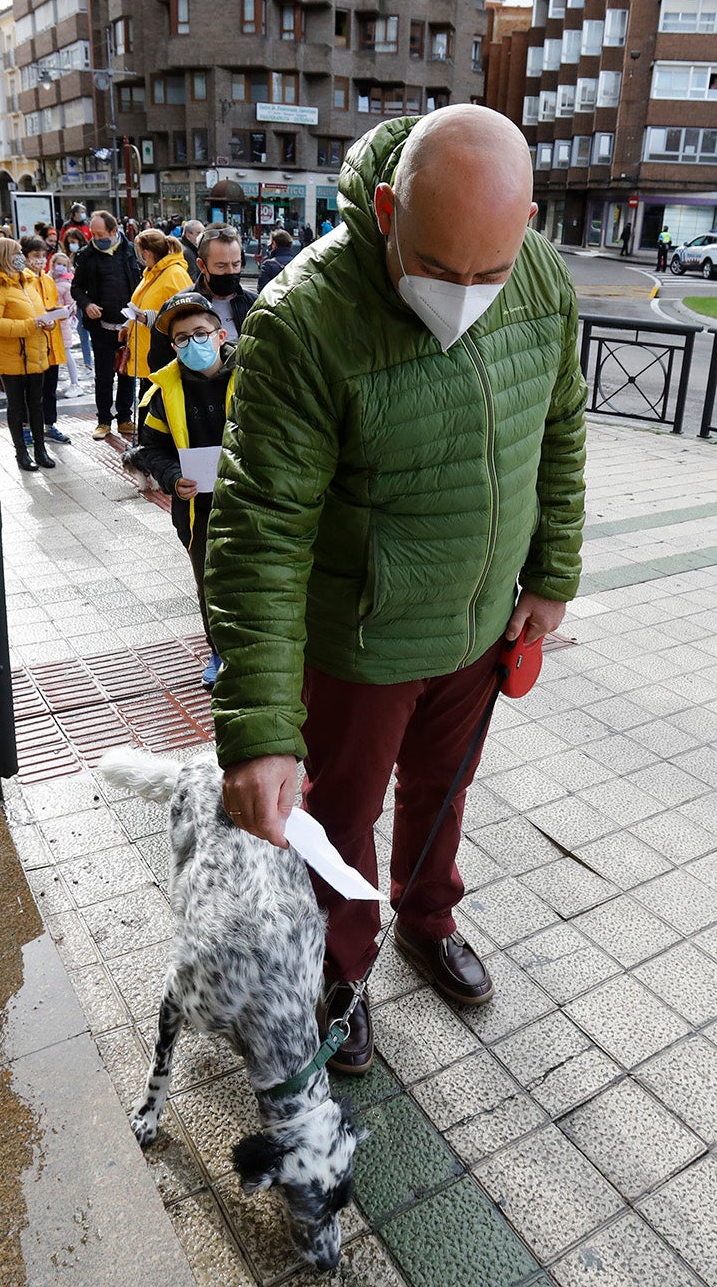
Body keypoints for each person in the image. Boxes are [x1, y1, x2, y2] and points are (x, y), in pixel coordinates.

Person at [207, 106, 587, 1076]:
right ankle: (341, 964)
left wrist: (550, 576)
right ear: (386, 211)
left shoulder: (541, 279)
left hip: (479, 615)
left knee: (444, 794)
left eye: (489, 274)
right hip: (362, 640)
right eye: (440, 270)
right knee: (341, 815)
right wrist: (258, 728)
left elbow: (561, 427)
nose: (465, 299)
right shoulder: (305, 320)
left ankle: (428, 914)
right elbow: (260, 527)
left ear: (528, 225)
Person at [133, 291, 238, 690]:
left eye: (200, 333)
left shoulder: (255, 375)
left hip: (256, 502)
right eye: (181, 338)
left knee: (262, 579)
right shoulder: (163, 393)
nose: (192, 343)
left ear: (220, 334)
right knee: (209, 582)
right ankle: (218, 652)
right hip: (198, 510)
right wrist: (173, 478)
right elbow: (150, 448)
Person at [0, 237, 59, 472]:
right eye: (17, 253)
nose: (22, 257)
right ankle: (21, 452)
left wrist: (48, 322)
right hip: (12, 355)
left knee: (36, 404)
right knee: (17, 406)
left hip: (36, 352)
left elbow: (38, 312)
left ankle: (40, 450)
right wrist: (30, 325)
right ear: (4, 256)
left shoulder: (28, 280)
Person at [71, 211, 143, 440]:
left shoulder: (131, 251)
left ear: (114, 231)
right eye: (93, 233)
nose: (96, 237)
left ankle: (124, 418)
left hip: (128, 326)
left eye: (100, 234)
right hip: (101, 327)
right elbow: (76, 287)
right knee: (103, 375)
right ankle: (103, 420)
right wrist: (87, 304)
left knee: (127, 373)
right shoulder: (87, 255)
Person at [119, 230, 196, 438]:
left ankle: (152, 449)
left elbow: (185, 313)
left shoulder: (174, 273)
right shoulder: (152, 273)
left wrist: (151, 318)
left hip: (162, 354)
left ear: (146, 253)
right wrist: (129, 324)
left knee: (157, 408)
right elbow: (142, 303)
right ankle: (147, 448)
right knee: (147, 404)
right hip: (146, 350)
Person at [21, 236, 73, 444]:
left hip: (52, 341)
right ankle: (26, 427)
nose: (40, 260)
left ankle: (48, 425)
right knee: (31, 390)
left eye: (43, 256)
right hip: (32, 343)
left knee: (49, 389)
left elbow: (51, 305)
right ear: (24, 257)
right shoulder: (22, 280)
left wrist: (60, 313)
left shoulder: (48, 279)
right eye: (35, 256)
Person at [193, 224, 257, 340]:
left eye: (236, 264)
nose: (230, 272)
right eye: (221, 266)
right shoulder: (181, 307)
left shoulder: (255, 305)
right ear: (202, 266)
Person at [50, 251, 83, 397]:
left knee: (67, 353)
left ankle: (75, 383)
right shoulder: (47, 280)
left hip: (61, 324)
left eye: (64, 265)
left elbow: (72, 305)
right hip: (49, 322)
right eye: (58, 264)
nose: (61, 267)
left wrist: (67, 310)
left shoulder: (66, 284)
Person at [61, 227, 92, 368]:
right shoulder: (66, 257)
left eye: (73, 242)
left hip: (87, 298)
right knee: (82, 333)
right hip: (74, 300)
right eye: (68, 243)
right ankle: (88, 364)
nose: (71, 245)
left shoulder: (87, 255)